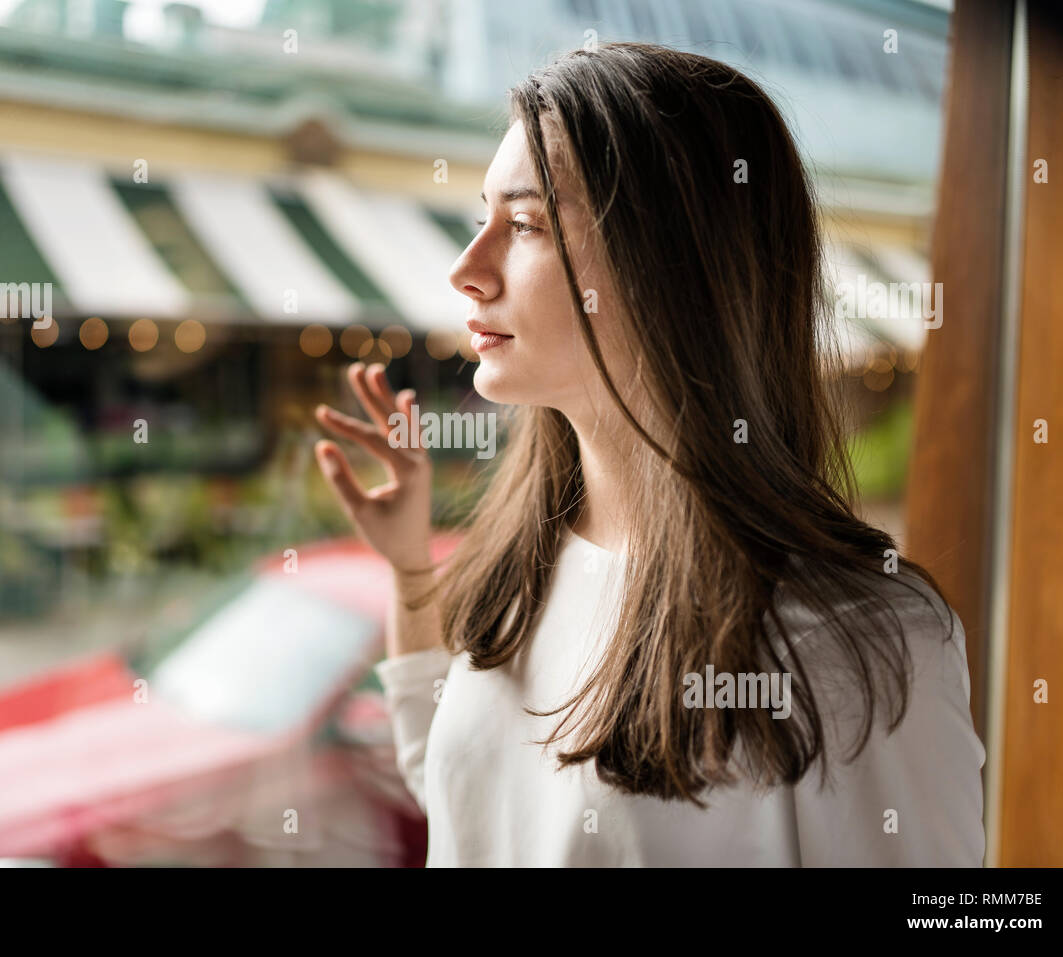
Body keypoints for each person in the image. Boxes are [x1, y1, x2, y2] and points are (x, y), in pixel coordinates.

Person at [313, 41, 985, 867]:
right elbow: (469, 803)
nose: (466, 270)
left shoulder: (859, 642)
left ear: (673, 264)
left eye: (525, 224)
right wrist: (410, 571)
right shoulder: (523, 561)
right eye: (478, 217)